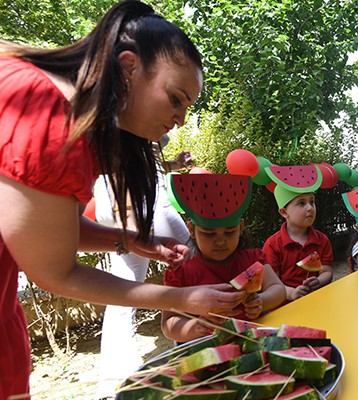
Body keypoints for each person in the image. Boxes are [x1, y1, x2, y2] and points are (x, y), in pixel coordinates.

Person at [0, 2, 246, 396]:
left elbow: (45, 227)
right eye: (176, 99)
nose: (181, 118)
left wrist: (130, 241)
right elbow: (56, 273)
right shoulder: (49, 118)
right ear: (129, 67)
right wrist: (181, 297)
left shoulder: (51, 104)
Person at [94, 136, 195, 396]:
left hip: (134, 200)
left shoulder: (146, 119)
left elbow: (149, 161)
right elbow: (122, 158)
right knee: (192, 264)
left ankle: (115, 375)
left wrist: (172, 164)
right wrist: (126, 214)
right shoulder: (136, 115)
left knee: (124, 290)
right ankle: (193, 346)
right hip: (141, 203)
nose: (180, 120)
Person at [162, 174, 285, 343]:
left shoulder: (253, 259)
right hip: (211, 348)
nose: (220, 241)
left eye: (229, 232)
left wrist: (261, 302)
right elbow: (168, 324)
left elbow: (278, 289)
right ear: (191, 229)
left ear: (240, 227)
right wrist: (196, 327)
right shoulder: (181, 273)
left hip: (253, 342)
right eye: (209, 233)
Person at [263, 165, 334, 302]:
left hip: (315, 300)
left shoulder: (322, 240)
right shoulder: (273, 244)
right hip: (285, 303)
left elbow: (326, 272)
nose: (310, 208)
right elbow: (272, 283)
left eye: (312, 202)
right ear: (284, 212)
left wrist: (319, 281)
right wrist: (291, 293)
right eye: (301, 203)